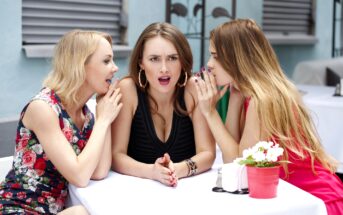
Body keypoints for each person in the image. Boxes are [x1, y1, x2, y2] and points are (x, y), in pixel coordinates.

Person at [194, 19, 343, 214]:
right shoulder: (244, 93)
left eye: (215, 56)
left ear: (237, 58)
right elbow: (233, 157)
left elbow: (238, 165)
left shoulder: (263, 100)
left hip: (314, 200)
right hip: (286, 196)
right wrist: (235, 99)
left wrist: (210, 112)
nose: (209, 64)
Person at [0, 30, 123, 214]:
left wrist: (103, 115)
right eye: (106, 61)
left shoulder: (85, 115)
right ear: (80, 65)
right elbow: (80, 176)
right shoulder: (43, 108)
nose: (115, 68)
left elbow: (98, 172)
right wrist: (104, 120)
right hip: (17, 208)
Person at [111, 22, 215, 187]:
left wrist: (179, 169)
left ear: (182, 61)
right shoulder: (128, 89)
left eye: (172, 58)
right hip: (135, 192)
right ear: (141, 63)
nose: (164, 68)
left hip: (186, 192)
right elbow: (116, 155)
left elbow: (208, 153)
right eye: (154, 59)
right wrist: (152, 172)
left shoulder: (193, 88)